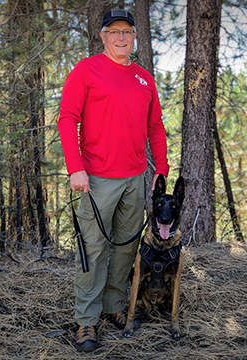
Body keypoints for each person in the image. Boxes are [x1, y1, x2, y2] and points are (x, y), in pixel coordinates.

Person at [58, 9, 169, 352]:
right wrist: (75, 167)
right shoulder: (86, 70)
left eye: (127, 31)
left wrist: (160, 169)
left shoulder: (144, 78)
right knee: (92, 250)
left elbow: (155, 127)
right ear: (103, 37)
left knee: (125, 247)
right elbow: (67, 118)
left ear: (134, 37)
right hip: (96, 179)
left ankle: (114, 305)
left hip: (135, 178)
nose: (121, 37)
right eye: (114, 31)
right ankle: (86, 321)